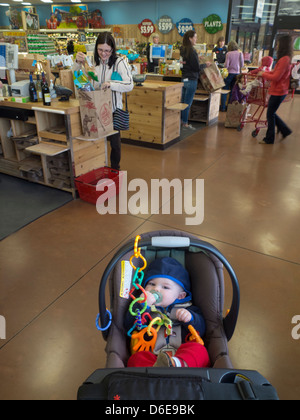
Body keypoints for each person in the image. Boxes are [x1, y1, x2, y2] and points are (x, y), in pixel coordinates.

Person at [125, 257, 210, 368]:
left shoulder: (188, 309)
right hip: (153, 356)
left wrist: (190, 319)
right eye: (151, 284)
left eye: (165, 287)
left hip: (182, 355)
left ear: (180, 295)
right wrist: (142, 305)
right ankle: (155, 369)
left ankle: (178, 364)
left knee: (199, 350)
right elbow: (128, 325)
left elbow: (202, 331)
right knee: (136, 359)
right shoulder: (143, 307)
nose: (156, 289)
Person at [74, 32, 133, 170]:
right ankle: (97, 169)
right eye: (100, 50)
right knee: (95, 142)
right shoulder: (92, 62)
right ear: (96, 48)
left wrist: (110, 84)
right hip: (94, 109)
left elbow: (129, 85)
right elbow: (77, 75)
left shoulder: (119, 62)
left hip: (113, 111)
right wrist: (77, 63)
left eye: (107, 50)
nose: (103, 53)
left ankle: (114, 170)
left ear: (112, 49)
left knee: (115, 144)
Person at [257, 35, 293, 144]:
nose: (276, 46)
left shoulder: (284, 60)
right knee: (271, 112)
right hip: (279, 90)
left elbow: (276, 77)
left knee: (270, 114)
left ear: (282, 45)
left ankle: (269, 138)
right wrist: (265, 73)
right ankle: (285, 130)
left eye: (278, 43)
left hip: (279, 90)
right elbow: (275, 72)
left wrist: (263, 74)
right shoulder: (285, 59)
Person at [180, 30, 211, 130]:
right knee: (187, 104)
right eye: (195, 37)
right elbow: (196, 68)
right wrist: (205, 65)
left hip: (184, 78)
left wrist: (197, 57)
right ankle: (185, 123)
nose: (196, 39)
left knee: (182, 103)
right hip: (191, 79)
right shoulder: (192, 51)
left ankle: (180, 121)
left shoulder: (183, 49)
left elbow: (184, 62)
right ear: (190, 38)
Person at [220, 40, 244, 112]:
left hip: (229, 74)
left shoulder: (228, 54)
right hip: (237, 75)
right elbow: (242, 65)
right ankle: (229, 107)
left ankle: (223, 107)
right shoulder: (240, 54)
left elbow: (226, 65)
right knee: (232, 91)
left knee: (224, 90)